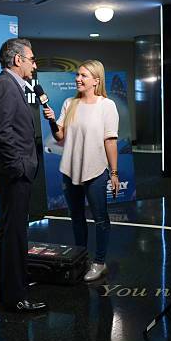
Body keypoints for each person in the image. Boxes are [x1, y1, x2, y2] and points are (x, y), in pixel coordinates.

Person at [0, 38, 45, 313]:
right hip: (13, 173)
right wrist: (19, 167)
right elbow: (2, 133)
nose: (34, 64)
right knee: (15, 234)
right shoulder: (5, 87)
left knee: (10, 232)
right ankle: (15, 296)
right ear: (18, 60)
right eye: (31, 59)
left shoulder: (10, 85)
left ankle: (7, 289)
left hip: (12, 171)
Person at [43, 60, 120, 281]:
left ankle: (99, 262)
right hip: (69, 169)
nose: (78, 78)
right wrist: (50, 121)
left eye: (83, 75)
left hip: (95, 170)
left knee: (100, 219)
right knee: (76, 217)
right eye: (77, 74)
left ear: (96, 80)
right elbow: (60, 136)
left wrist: (113, 173)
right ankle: (80, 259)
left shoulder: (107, 106)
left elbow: (110, 141)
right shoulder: (70, 103)